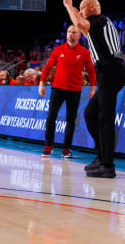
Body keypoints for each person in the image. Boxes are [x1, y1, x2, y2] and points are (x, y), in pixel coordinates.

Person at [63, 0, 125, 178]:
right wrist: (75, 13)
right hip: (109, 71)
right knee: (90, 114)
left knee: (105, 118)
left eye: (82, 8)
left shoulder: (99, 19)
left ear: (91, 8)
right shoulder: (98, 25)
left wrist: (68, 6)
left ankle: (107, 165)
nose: (80, 12)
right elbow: (82, 29)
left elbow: (80, 24)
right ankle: (101, 155)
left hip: (110, 70)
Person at [39, 25, 96, 159]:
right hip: (57, 88)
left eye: (74, 32)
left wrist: (92, 88)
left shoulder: (84, 52)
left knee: (70, 120)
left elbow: (91, 71)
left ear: (79, 36)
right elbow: (48, 67)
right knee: (51, 117)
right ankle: (48, 145)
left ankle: (66, 148)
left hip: (74, 90)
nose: (71, 34)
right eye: (69, 32)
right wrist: (41, 83)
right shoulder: (58, 50)